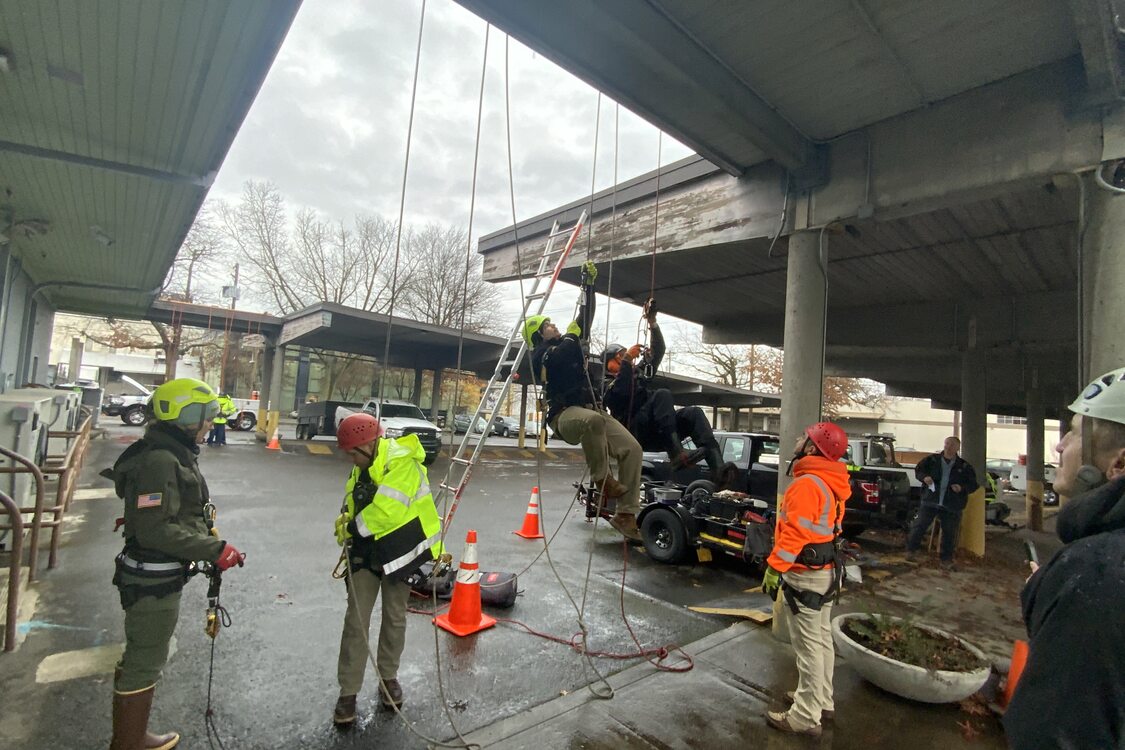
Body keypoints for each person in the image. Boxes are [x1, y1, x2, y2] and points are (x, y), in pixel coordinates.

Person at [106, 378, 244, 750]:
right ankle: (130, 742)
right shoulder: (160, 461)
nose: (212, 424)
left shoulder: (168, 453)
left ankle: (129, 735)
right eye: (208, 416)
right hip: (153, 578)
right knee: (145, 659)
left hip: (158, 573)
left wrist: (207, 542)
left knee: (144, 654)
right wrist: (214, 550)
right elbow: (154, 530)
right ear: (187, 417)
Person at [1004, 366, 1125, 749]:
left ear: (1118, 464)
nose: (1058, 446)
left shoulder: (1095, 571)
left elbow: (1055, 732)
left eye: (1072, 432)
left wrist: (1067, 588)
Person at [331, 412, 444, 726]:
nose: (351, 460)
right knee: (356, 620)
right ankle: (348, 692)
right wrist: (345, 523)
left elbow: (388, 511)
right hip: (366, 553)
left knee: (395, 617)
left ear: (368, 444)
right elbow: (355, 502)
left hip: (401, 551)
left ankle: (388, 679)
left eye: (353, 452)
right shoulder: (362, 468)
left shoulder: (402, 462)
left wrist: (353, 528)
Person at [524, 261, 643, 541]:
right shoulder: (539, 354)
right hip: (564, 415)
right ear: (539, 334)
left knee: (632, 449)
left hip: (594, 413)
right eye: (548, 325)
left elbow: (584, 317)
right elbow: (561, 357)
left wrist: (588, 286)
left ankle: (626, 514)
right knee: (592, 421)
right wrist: (570, 337)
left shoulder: (569, 342)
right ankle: (603, 481)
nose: (553, 326)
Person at [761, 422, 851, 737]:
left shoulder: (806, 484)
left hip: (807, 577)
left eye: (804, 438)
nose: (798, 441)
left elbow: (794, 535)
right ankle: (820, 700)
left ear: (813, 448)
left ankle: (804, 715)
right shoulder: (831, 481)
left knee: (809, 647)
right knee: (821, 641)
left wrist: (775, 568)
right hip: (826, 574)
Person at [602, 299, 727, 484]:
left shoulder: (635, 373)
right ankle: (676, 453)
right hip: (635, 432)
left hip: (658, 430)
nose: (622, 360)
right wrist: (628, 361)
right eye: (618, 357)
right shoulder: (606, 384)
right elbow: (620, 393)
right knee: (662, 394)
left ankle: (719, 471)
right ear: (608, 363)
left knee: (694, 413)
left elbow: (658, 350)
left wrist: (652, 322)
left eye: (623, 356)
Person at [904, 436, 978, 570]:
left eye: (952, 445)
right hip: (930, 500)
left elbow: (973, 484)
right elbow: (918, 470)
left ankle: (946, 559)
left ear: (957, 448)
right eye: (947, 444)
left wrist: (961, 488)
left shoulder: (964, 466)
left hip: (951, 504)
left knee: (949, 532)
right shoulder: (932, 460)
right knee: (919, 526)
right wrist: (924, 478)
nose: (948, 447)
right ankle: (910, 551)